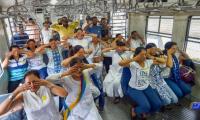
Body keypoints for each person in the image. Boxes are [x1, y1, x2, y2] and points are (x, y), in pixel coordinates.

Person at [0, 70, 67, 120]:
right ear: (25, 84)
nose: (32, 85)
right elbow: (1, 112)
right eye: (29, 83)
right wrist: (16, 91)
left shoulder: (46, 87)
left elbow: (64, 94)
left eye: (35, 81)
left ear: (40, 79)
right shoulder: (23, 95)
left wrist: (47, 83)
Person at [119, 47, 164, 119]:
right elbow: (120, 63)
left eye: (145, 54)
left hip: (146, 87)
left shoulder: (148, 62)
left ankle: (145, 112)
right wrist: (134, 59)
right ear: (137, 55)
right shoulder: (133, 64)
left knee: (158, 104)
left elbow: (163, 61)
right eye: (142, 55)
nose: (144, 56)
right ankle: (135, 110)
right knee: (145, 106)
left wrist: (151, 57)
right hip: (134, 89)